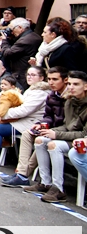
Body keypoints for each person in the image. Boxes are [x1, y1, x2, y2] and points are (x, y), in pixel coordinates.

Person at [22, 70, 87, 202]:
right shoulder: (70, 101)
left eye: (76, 84)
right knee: (40, 140)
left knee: (53, 144)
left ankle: (58, 189)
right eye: (69, 84)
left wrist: (56, 134)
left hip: (80, 141)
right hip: (71, 137)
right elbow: (67, 126)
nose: (71, 87)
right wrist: (47, 130)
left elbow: (84, 134)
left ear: (85, 86)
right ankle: (45, 183)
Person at [0, 67, 69, 188]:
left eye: (55, 79)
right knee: (28, 134)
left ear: (65, 80)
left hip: (63, 131)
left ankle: (24, 175)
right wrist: (42, 123)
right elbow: (48, 115)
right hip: (51, 127)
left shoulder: (68, 97)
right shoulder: (52, 95)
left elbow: (70, 123)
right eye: (50, 79)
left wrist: (52, 130)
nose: (51, 82)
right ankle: (22, 174)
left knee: (42, 140)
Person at [0, 66, 49, 171]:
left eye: (33, 75)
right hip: (22, 120)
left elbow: (24, 110)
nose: (29, 77)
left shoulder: (41, 92)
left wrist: (3, 115)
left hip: (31, 123)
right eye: (28, 74)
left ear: (41, 78)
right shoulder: (32, 89)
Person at [0, 17, 42, 88]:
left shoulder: (25, 40)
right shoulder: (33, 36)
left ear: (20, 28)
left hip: (21, 76)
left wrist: (4, 41)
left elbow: (8, 53)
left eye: (12, 29)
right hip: (25, 72)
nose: (12, 32)